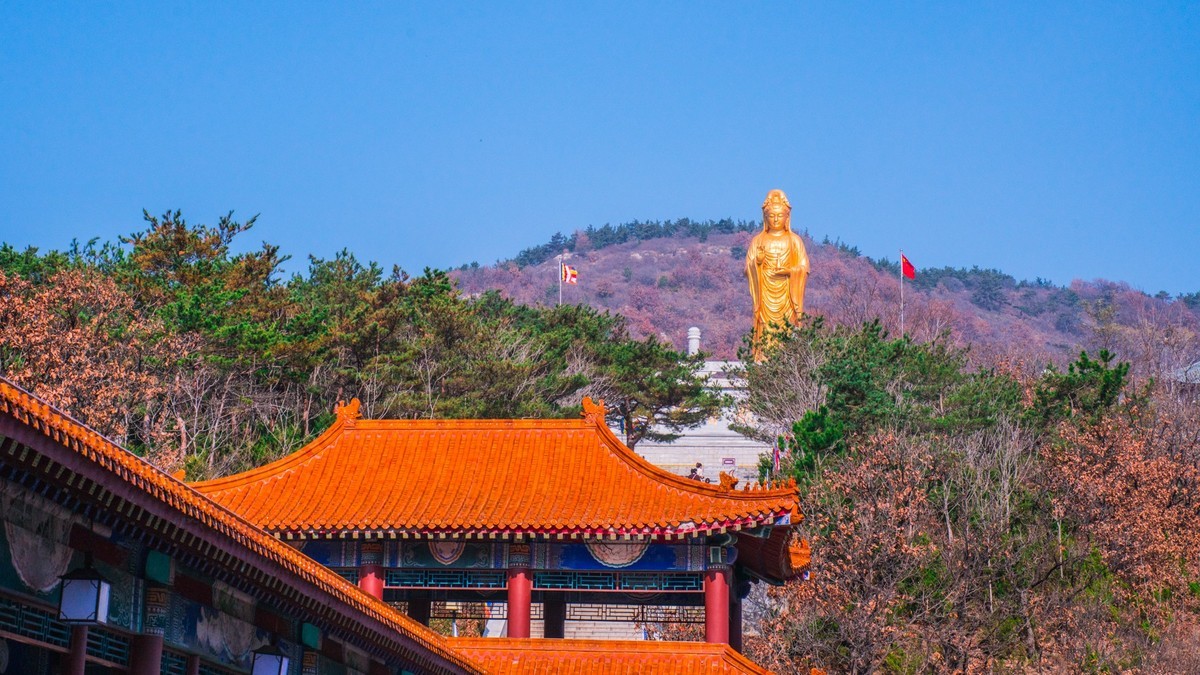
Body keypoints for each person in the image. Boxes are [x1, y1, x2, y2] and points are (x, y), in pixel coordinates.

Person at [745, 189, 810, 354]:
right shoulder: (758, 240)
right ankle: (763, 358)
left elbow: (804, 267)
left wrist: (789, 271)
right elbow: (747, 268)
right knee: (765, 328)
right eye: (771, 216)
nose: (775, 219)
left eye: (780, 216)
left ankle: (787, 359)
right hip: (765, 295)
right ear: (765, 217)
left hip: (787, 295)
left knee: (786, 328)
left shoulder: (794, 240)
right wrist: (757, 262)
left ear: (787, 217)